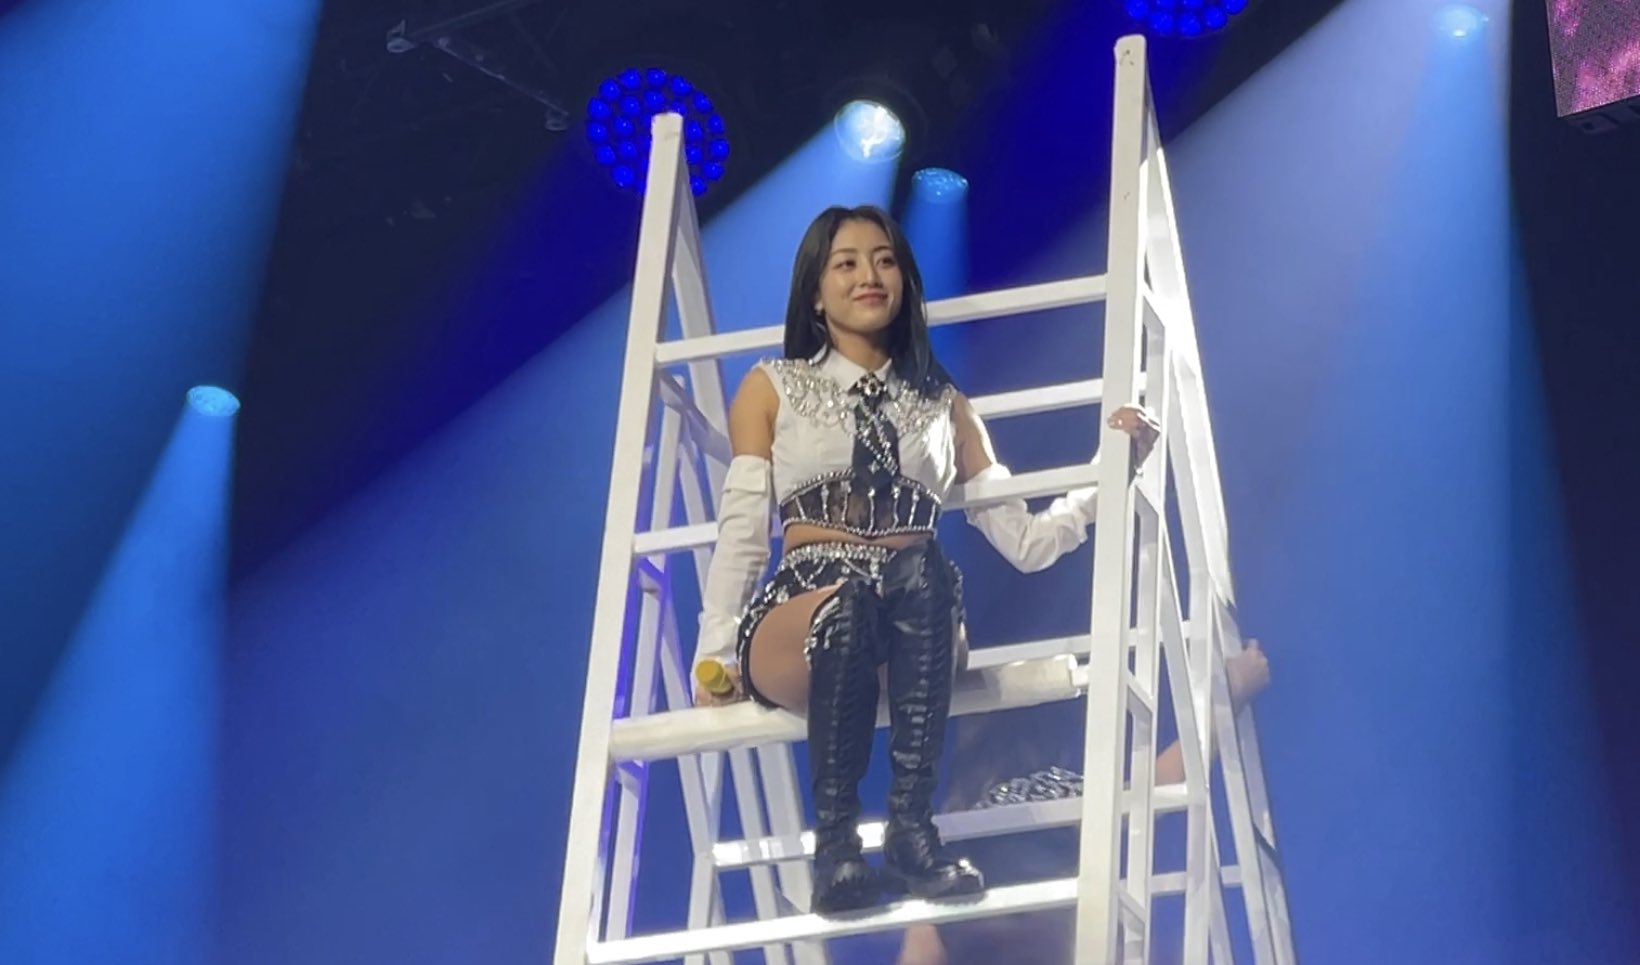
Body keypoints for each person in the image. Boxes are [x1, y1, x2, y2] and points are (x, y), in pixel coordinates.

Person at [692, 204, 1160, 915]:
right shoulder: (771, 386)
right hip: (806, 610)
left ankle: (912, 833)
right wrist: (715, 650)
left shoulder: (945, 405)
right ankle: (838, 850)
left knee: (920, 573)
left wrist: (1108, 471)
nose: (868, 275)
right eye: (846, 262)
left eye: (884, 260)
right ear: (815, 292)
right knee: (849, 605)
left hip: (915, 618)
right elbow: (743, 530)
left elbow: (1027, 542)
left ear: (905, 281)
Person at [895, 643, 1273, 965]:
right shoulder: (1022, 798)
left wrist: (1231, 693)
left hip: (1022, 921)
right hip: (1033, 920)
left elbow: (922, 941)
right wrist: (1230, 693)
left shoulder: (960, 817)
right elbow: (1158, 784)